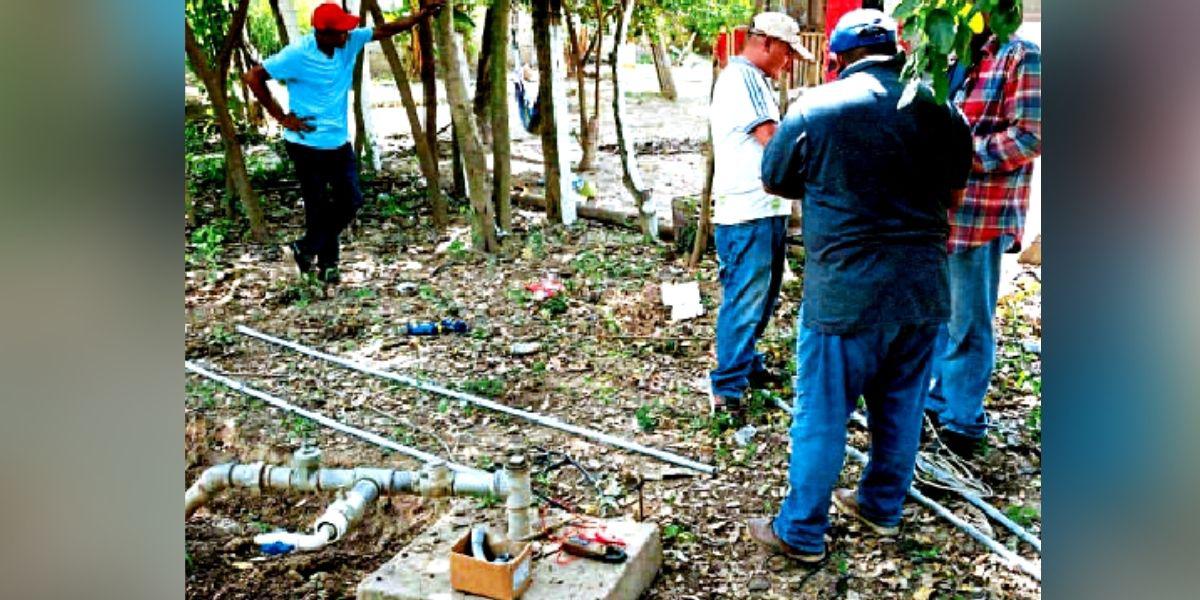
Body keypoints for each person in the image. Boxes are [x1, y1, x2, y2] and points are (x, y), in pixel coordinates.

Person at [746, 9, 973, 562]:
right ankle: (880, 507)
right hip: (921, 291)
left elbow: (776, 177)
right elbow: (957, 195)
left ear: (836, 57)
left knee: (822, 412)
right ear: (896, 50)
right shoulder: (942, 109)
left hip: (845, 292)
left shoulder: (816, 108)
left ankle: (800, 532)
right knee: (901, 407)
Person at [244, 1, 443, 284]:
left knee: (350, 200)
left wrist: (419, 17)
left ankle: (305, 248)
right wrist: (281, 117)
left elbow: (385, 29)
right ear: (321, 33)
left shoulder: (348, 42)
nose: (347, 35)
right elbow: (253, 76)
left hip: (337, 142)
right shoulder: (297, 54)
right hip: (305, 144)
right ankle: (328, 266)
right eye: (340, 32)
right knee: (318, 206)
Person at [924, 0, 1042, 457]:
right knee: (934, 315)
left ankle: (962, 422)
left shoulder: (1020, 56)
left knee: (969, 322)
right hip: (937, 213)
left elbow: (1032, 134)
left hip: (980, 213)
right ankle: (935, 403)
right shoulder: (948, 55)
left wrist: (962, 154)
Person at [707, 12, 812, 423]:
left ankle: (745, 363)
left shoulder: (754, 79)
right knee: (746, 297)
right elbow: (773, 140)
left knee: (763, 295)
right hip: (747, 209)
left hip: (763, 207)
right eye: (786, 52)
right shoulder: (743, 77)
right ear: (766, 43)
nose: (788, 61)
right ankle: (727, 386)